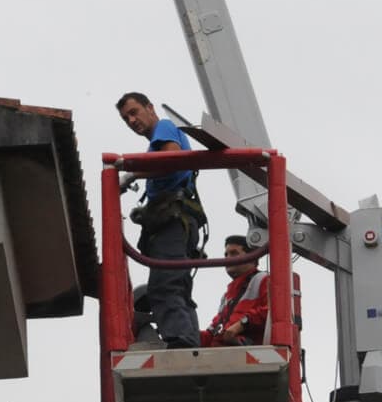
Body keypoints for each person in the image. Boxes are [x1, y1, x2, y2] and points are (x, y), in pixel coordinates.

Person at [115, 91, 204, 349]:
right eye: (125, 118)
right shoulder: (155, 142)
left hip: (175, 223)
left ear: (150, 108)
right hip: (177, 222)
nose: (131, 121)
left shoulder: (164, 127)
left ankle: (182, 343)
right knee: (177, 286)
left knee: (164, 285)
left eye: (134, 112)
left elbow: (172, 159)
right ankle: (188, 341)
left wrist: (130, 173)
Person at [201, 234, 268, 347]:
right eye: (226, 254)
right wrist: (186, 333)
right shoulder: (227, 296)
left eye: (234, 253)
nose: (227, 258)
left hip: (249, 352)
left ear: (252, 257)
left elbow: (274, 312)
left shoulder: (263, 279)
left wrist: (240, 325)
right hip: (223, 354)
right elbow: (212, 333)